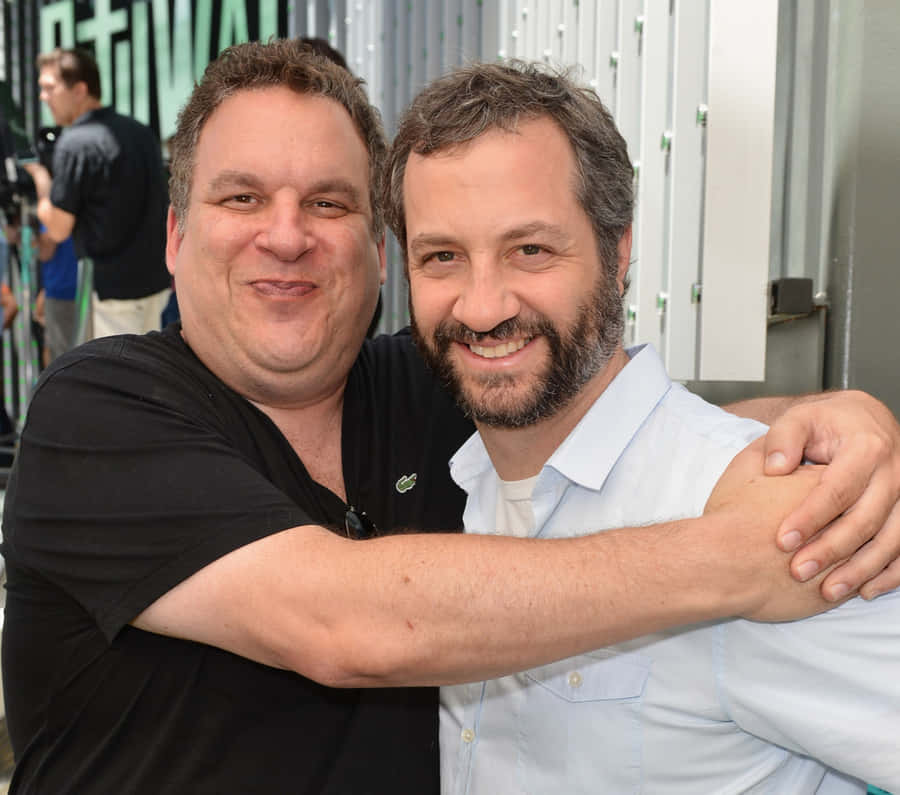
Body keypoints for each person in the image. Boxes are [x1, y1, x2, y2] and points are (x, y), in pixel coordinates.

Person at [2, 40, 900, 794]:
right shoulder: (98, 412)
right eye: (241, 197)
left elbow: (596, 403)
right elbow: (345, 623)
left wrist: (830, 423)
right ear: (175, 236)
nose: (286, 234)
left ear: (378, 253)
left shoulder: (441, 391)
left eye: (329, 201)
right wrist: (745, 553)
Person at [383, 60, 900, 793]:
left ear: (618, 251)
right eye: (442, 257)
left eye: (529, 249)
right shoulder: (459, 487)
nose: (481, 304)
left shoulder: (771, 514)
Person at [25, 47, 171, 338]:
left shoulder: (75, 142)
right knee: (145, 376)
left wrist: (42, 185)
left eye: (49, 88)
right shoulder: (139, 131)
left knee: (114, 380)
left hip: (112, 294)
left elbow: (58, 228)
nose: (44, 97)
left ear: (79, 89)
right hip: (155, 284)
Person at [34, 224, 79, 365]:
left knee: (61, 360)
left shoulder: (51, 205)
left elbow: (45, 252)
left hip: (64, 291)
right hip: (68, 290)